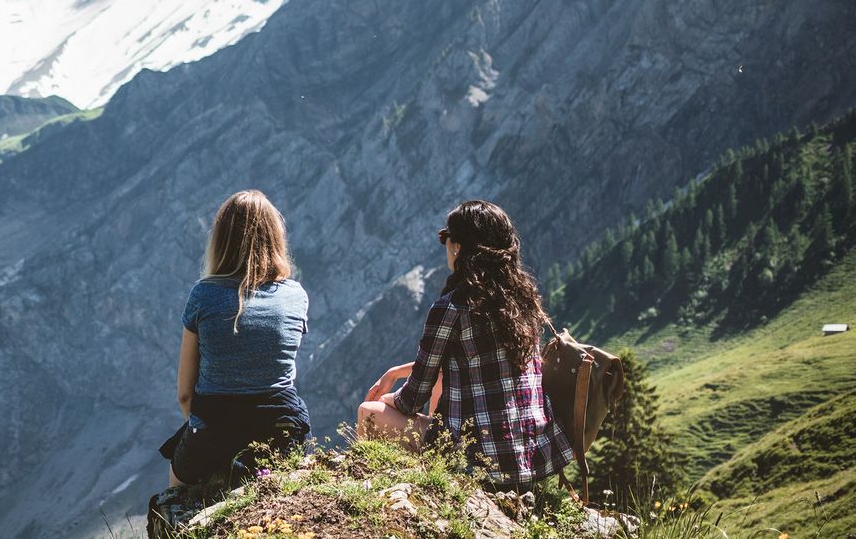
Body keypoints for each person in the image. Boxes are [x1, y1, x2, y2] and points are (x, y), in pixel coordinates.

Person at [355, 199, 572, 490]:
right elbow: (476, 366)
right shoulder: (523, 301)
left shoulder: (452, 306)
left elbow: (413, 397)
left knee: (369, 412)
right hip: (535, 457)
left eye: (447, 239)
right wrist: (396, 372)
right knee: (441, 387)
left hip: (481, 462)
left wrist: (386, 399)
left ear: (458, 247)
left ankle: (384, 492)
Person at [159, 189, 311, 488]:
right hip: (282, 427)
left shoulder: (203, 295)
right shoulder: (296, 295)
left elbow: (185, 395)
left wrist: (210, 433)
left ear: (221, 240)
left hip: (215, 430)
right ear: (276, 237)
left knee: (174, 494)